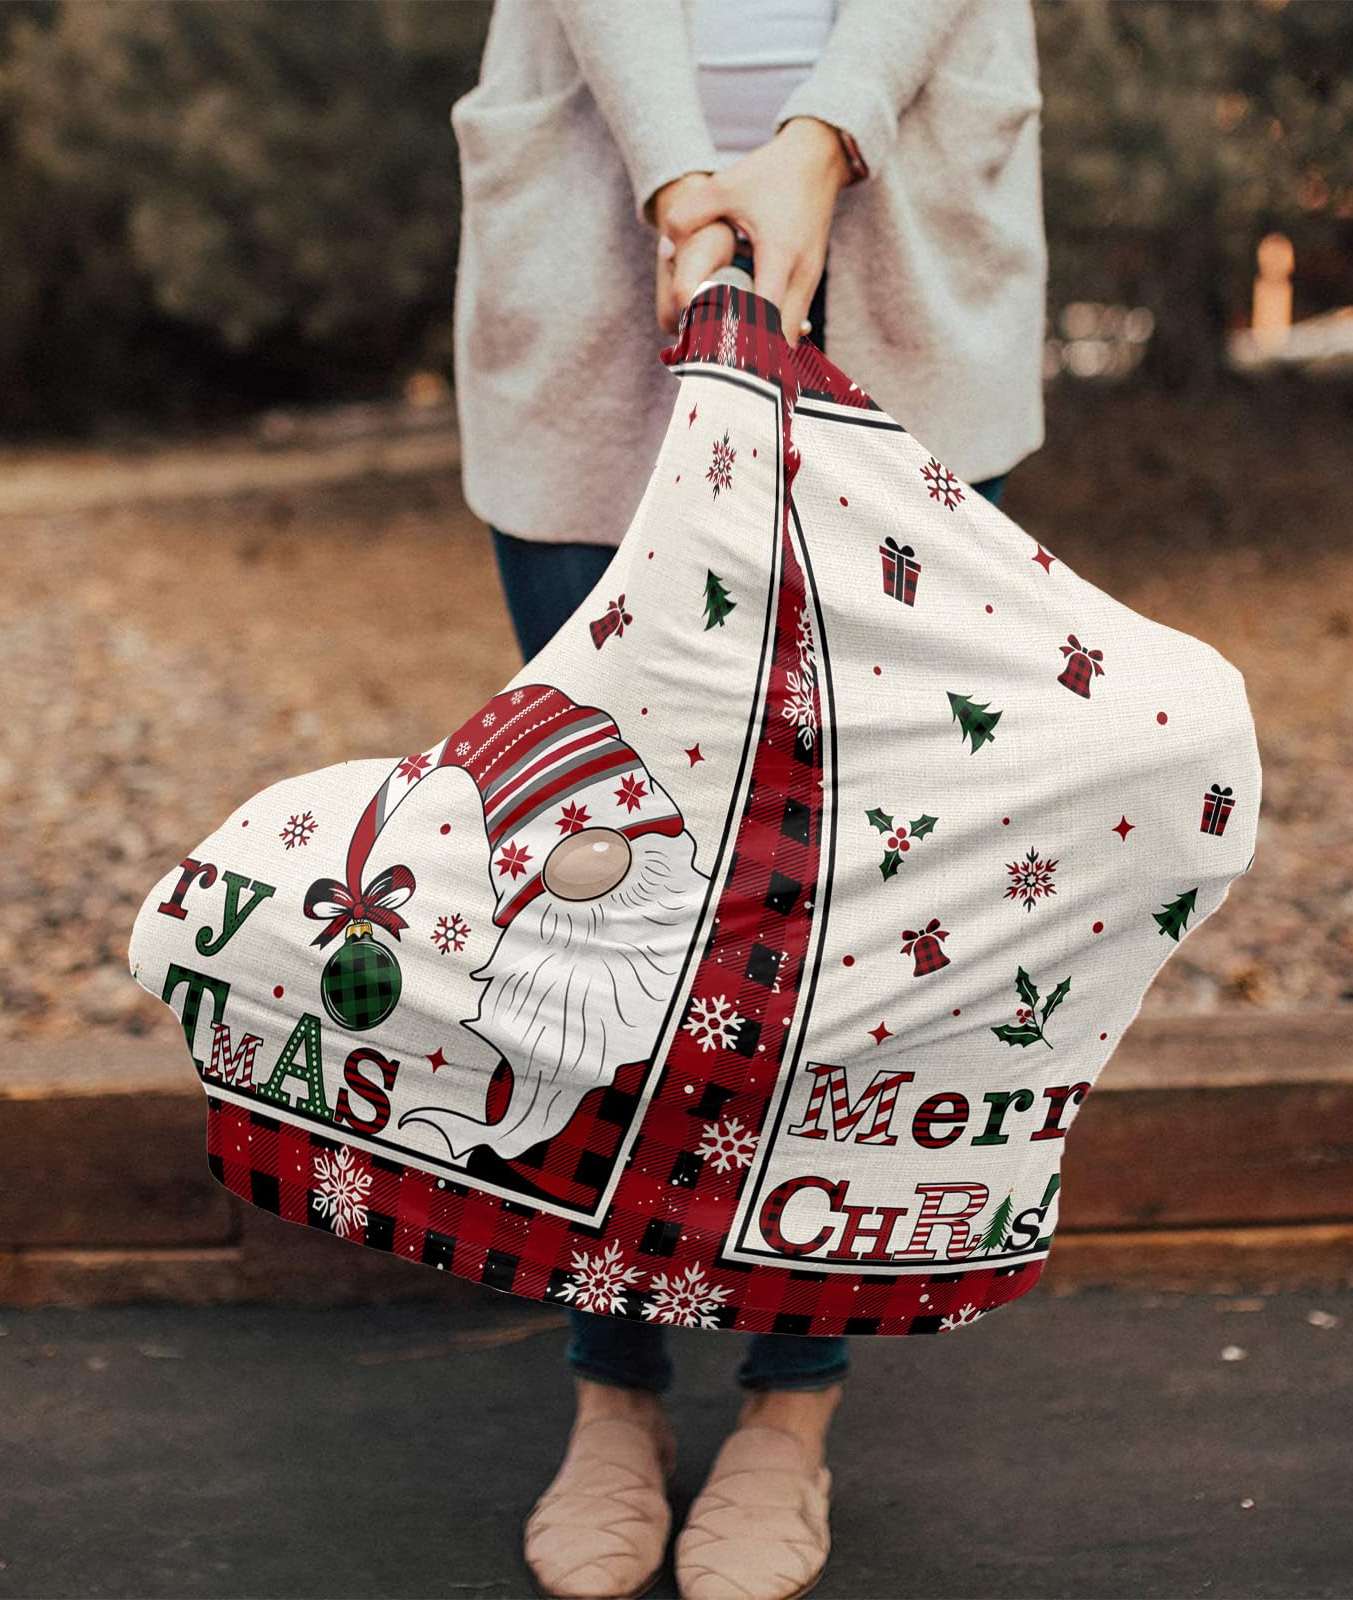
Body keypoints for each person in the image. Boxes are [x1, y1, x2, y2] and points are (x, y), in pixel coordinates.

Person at [449, 3, 1046, 1595]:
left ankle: (791, 1404)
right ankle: (614, 1385)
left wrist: (819, 137)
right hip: (600, 218)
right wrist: (677, 179)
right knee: (602, 864)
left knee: (849, 878)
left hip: (901, 222)